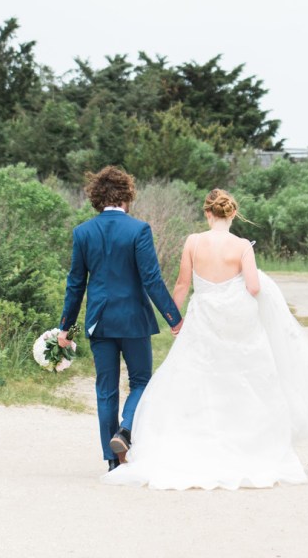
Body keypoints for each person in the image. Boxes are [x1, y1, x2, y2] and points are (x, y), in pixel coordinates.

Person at [104, 188, 308, 490]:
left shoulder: (193, 242)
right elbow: (252, 287)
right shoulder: (241, 247)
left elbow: (183, 284)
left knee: (198, 377)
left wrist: (174, 318)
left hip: (204, 317)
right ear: (233, 213)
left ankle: (194, 442)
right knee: (243, 379)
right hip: (238, 320)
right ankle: (246, 444)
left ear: (206, 213)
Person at [57, 165, 183, 471]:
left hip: (99, 322)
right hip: (134, 320)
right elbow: (152, 279)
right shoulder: (138, 230)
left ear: (97, 197)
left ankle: (113, 461)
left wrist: (66, 328)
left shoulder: (83, 232)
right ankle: (126, 429)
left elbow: (75, 284)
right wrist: (174, 318)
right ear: (127, 195)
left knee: (105, 390)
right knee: (141, 381)